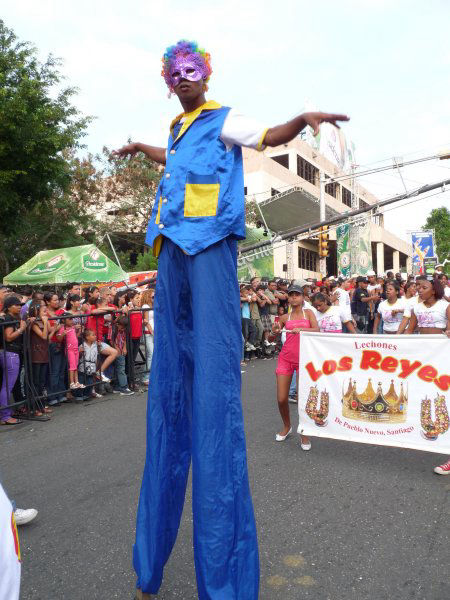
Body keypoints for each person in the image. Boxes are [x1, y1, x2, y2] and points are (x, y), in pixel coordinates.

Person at [113, 38, 348, 599]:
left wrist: (302, 119)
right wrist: (143, 145)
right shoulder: (175, 128)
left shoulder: (224, 119)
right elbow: (170, 160)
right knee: (170, 382)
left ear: (207, 76)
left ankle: (224, 579)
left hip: (211, 246)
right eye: (177, 73)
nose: (186, 78)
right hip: (172, 247)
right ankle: (150, 563)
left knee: (213, 387)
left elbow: (268, 137)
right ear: (169, 81)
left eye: (193, 71)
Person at [403, 276, 450, 476]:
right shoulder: (417, 308)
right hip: (424, 357)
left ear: (434, 290)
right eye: (418, 287)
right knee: (426, 395)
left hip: (442, 356)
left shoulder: (445, 306)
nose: (419, 291)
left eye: (424, 287)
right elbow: (409, 331)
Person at [272, 285, 319, 449]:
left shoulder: (309, 313)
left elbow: (317, 330)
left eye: (296, 295)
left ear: (302, 298)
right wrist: (274, 330)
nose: (293, 298)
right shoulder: (284, 317)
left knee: (302, 398)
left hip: (304, 359)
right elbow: (273, 336)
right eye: (291, 295)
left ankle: (304, 431)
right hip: (285, 358)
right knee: (281, 398)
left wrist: (303, 329)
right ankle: (287, 426)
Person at [0, 296, 27, 425]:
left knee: (6, 385)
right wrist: (21, 329)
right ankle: (5, 416)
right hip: (11, 354)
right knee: (7, 386)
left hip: (11, 353)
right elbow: (9, 337)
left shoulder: (12, 317)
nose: (19, 307)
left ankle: (5, 413)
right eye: (16, 305)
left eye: (20, 305)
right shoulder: (9, 318)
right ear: (9, 306)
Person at [28, 301, 54, 415]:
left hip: (43, 353)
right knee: (36, 382)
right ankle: (35, 408)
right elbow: (43, 336)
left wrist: (46, 321)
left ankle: (42, 406)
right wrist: (44, 321)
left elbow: (48, 334)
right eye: (43, 308)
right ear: (36, 310)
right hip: (36, 354)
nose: (45, 310)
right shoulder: (34, 323)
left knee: (42, 381)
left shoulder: (43, 320)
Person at [44, 292, 66, 406]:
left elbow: (66, 323)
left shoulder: (61, 311)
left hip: (63, 342)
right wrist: (56, 327)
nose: (57, 302)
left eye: (58, 300)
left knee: (61, 370)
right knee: (55, 371)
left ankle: (61, 394)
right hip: (53, 343)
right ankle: (53, 396)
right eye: (54, 300)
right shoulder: (45, 313)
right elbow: (49, 329)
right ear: (48, 301)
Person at [111, 317, 134, 395]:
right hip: (115, 350)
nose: (123, 329)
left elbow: (125, 339)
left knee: (119, 368)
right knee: (121, 368)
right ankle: (123, 387)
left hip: (121, 348)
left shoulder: (125, 329)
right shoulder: (113, 328)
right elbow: (111, 340)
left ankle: (117, 386)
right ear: (118, 324)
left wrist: (124, 348)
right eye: (122, 327)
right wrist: (117, 349)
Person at [61, 314, 84, 390]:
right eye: (69, 319)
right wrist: (62, 334)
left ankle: (76, 382)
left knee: (75, 366)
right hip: (69, 349)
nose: (72, 321)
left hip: (75, 349)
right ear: (64, 320)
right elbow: (59, 338)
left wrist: (80, 331)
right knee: (72, 366)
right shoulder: (63, 328)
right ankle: (72, 383)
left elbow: (75, 337)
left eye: (72, 319)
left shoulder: (72, 327)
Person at [140, 289, 154, 386]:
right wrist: (152, 332)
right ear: (148, 296)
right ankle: (145, 377)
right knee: (150, 355)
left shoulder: (152, 306)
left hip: (152, 332)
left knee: (152, 355)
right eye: (153, 297)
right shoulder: (145, 306)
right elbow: (146, 321)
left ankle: (148, 376)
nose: (154, 298)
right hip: (148, 332)